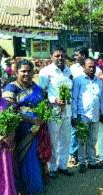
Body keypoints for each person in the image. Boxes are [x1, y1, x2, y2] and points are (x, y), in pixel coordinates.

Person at [3, 59, 49, 195]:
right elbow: (9, 110)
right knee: (26, 157)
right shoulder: (11, 88)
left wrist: (43, 115)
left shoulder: (36, 87)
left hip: (38, 126)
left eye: (29, 71)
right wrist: (30, 120)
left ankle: (37, 182)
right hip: (21, 128)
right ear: (16, 72)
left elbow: (44, 102)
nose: (26, 74)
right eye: (23, 71)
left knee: (36, 155)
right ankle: (28, 188)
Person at [39, 46, 73, 178]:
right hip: (54, 111)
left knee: (66, 139)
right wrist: (54, 99)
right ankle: (52, 167)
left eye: (62, 56)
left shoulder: (68, 71)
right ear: (51, 57)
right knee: (53, 140)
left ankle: (63, 165)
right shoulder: (45, 72)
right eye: (57, 56)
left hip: (67, 110)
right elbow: (42, 92)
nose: (60, 58)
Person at [72, 58, 103, 173]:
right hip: (82, 116)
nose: (92, 69)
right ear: (84, 67)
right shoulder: (78, 81)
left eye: (94, 66)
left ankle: (92, 161)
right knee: (82, 140)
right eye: (89, 66)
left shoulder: (99, 82)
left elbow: (102, 99)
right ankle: (82, 162)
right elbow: (74, 99)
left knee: (92, 139)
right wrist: (74, 115)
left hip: (95, 115)